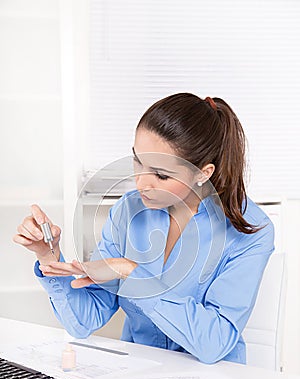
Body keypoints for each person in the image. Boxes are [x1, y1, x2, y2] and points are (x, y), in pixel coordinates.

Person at [13, 93, 274, 365]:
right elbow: (83, 321)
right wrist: (48, 256)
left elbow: (214, 344)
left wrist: (133, 274)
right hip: (139, 377)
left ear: (202, 173)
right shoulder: (129, 211)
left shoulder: (252, 231)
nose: (140, 183)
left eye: (161, 175)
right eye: (138, 161)